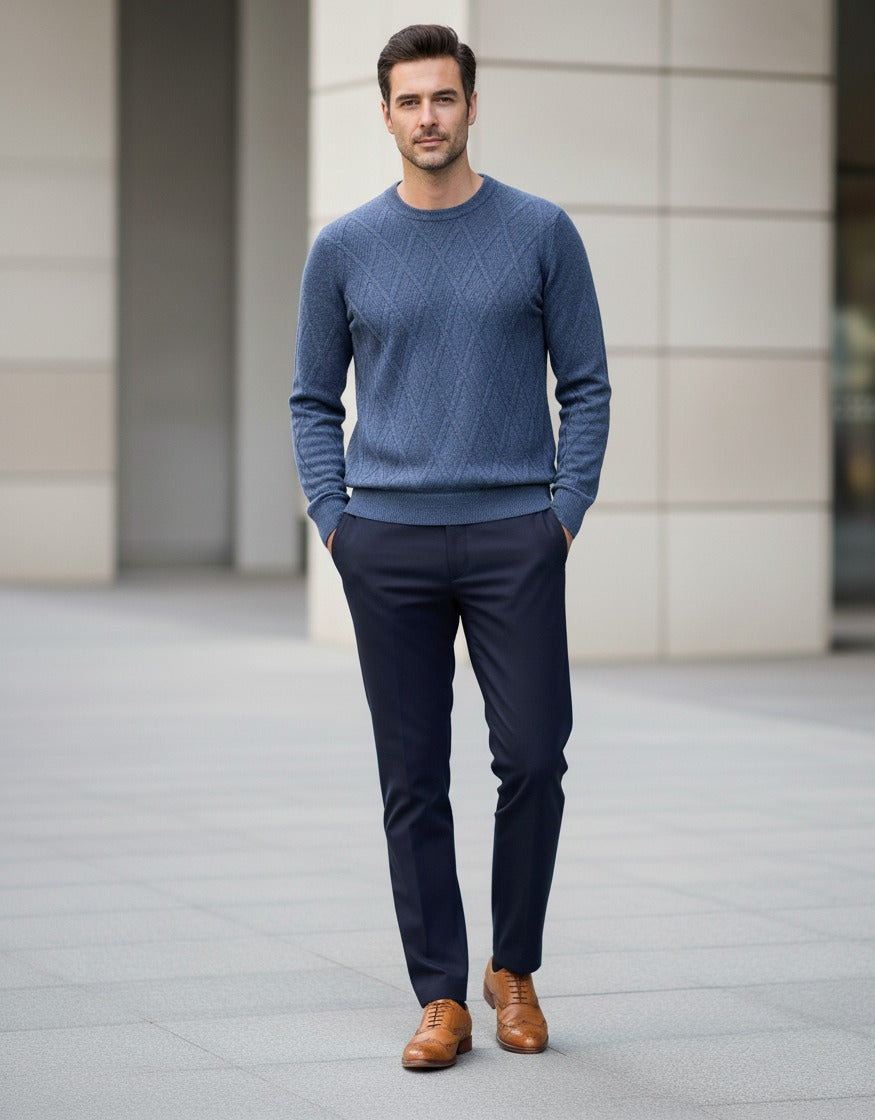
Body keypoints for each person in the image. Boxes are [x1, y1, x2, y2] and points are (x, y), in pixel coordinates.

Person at [290, 23, 610, 1070]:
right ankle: (440, 995)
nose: (427, 117)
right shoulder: (343, 247)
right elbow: (310, 399)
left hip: (514, 535)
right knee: (411, 775)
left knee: (534, 757)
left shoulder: (539, 232)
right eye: (409, 101)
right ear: (385, 114)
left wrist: (561, 513)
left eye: (442, 97)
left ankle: (511, 969)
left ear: (471, 105)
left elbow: (586, 385)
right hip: (385, 541)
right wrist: (335, 520)